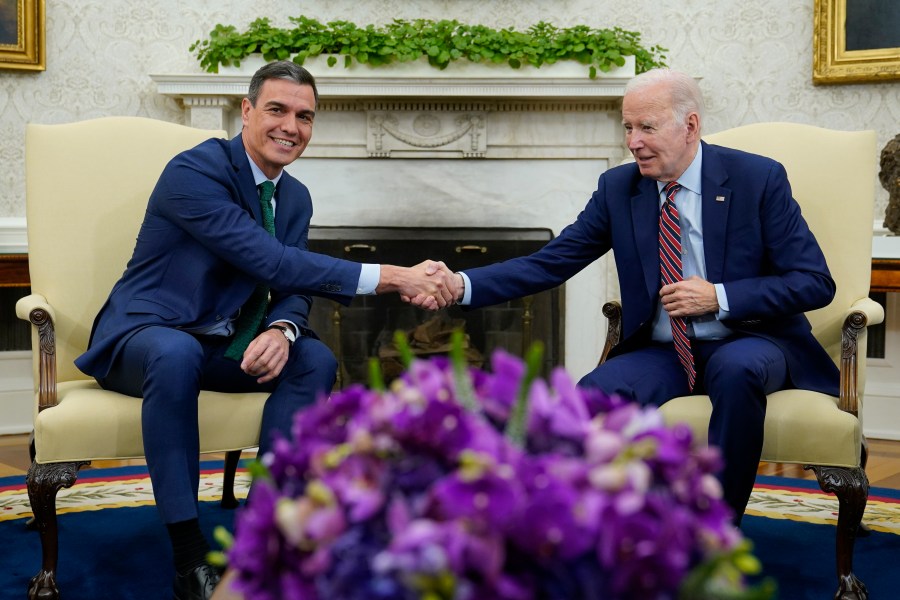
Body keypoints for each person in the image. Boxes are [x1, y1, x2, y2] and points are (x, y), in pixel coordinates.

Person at [74, 61, 454, 600]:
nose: (291, 127)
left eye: (305, 116)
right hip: (145, 335)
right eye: (277, 110)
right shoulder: (194, 171)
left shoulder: (294, 196)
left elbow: (292, 283)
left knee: (315, 360)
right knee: (176, 351)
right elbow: (269, 260)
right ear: (247, 112)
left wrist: (282, 328)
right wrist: (391, 276)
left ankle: (258, 533)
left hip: (221, 345)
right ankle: (188, 559)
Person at [430, 68, 839, 526]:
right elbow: (551, 262)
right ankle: (582, 530)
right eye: (628, 127)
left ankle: (716, 534)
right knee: (593, 393)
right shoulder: (618, 189)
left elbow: (814, 281)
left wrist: (719, 296)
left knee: (736, 370)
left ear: (690, 126)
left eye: (647, 127)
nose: (633, 141)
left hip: (749, 339)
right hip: (664, 350)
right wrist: (462, 284)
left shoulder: (757, 180)